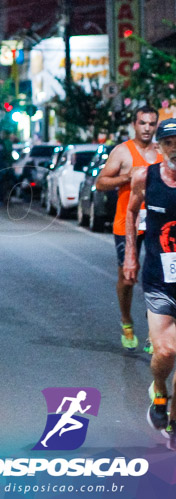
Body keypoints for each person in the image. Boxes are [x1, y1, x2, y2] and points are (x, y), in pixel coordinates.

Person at [124, 118, 176, 448]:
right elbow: (130, 213)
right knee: (166, 351)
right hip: (159, 277)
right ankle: (159, 389)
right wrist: (131, 253)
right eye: (169, 142)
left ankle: (172, 421)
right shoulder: (146, 176)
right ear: (159, 147)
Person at [98, 105, 161, 352]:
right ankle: (126, 321)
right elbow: (101, 182)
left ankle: (155, 332)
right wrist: (128, 176)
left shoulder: (161, 152)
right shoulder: (122, 152)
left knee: (159, 278)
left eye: (151, 123)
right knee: (127, 278)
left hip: (157, 222)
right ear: (134, 124)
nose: (147, 128)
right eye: (142, 123)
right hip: (127, 222)